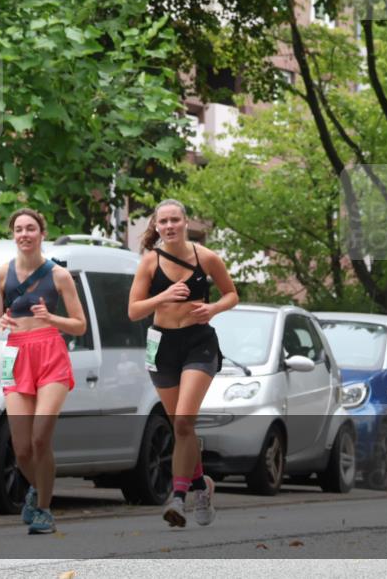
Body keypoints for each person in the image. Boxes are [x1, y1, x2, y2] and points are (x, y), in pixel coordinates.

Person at [128, 199, 238, 527]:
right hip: (162, 346)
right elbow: (134, 310)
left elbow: (232, 294)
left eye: (175, 219)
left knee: (183, 423)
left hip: (198, 343)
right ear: (157, 226)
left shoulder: (207, 258)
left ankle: (177, 498)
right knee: (181, 425)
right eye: (164, 221)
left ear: (185, 222)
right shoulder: (150, 262)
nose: (170, 225)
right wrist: (162, 297)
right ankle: (201, 486)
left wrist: (213, 309)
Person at [0, 208, 87, 534]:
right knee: (22, 448)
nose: (24, 234)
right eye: (18, 229)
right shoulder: (0, 274)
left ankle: (44, 507)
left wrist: (52, 319)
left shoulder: (58, 275)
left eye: (30, 228)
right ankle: (38, 488)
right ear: (13, 234)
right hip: (16, 354)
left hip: (50, 352)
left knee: (40, 436)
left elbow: (79, 324)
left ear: (41, 233)